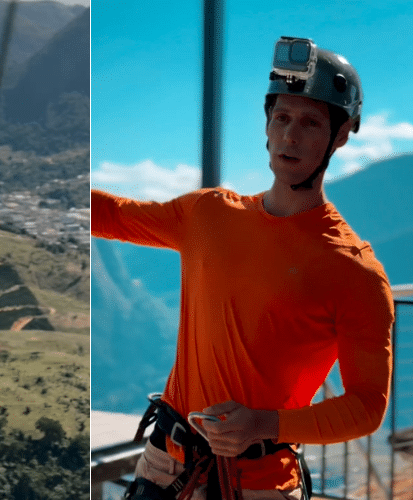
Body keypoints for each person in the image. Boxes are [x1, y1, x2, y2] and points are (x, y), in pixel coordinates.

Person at [91, 37, 394, 500]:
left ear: (341, 135)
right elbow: (110, 214)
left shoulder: (356, 272)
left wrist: (265, 425)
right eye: (282, 118)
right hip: (165, 468)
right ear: (267, 127)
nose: (291, 136)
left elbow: (367, 406)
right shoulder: (207, 214)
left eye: (310, 122)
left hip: (261, 485)